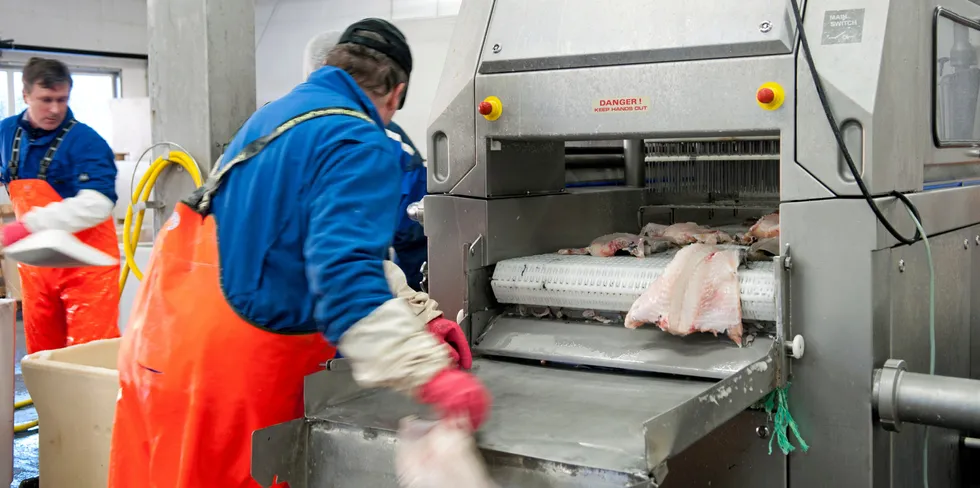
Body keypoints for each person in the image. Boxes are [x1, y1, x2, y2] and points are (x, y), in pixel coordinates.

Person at [108, 18, 491, 488]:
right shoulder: (360, 140)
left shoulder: (272, 117)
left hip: (160, 350)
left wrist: (413, 310)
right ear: (396, 93)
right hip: (235, 374)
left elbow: (301, 244)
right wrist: (430, 375)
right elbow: (343, 275)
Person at [0, 57, 120, 354]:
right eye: (46, 99)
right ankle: (47, 403)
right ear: (26, 95)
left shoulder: (86, 142)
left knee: (89, 358)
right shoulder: (5, 134)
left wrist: (27, 225)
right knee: (43, 356)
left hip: (87, 270)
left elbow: (97, 203)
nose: (55, 109)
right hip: (37, 268)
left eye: (62, 99)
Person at [305, 31, 428, 290]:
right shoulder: (386, 145)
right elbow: (414, 236)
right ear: (395, 94)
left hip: (229, 308)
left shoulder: (268, 124)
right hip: (340, 309)